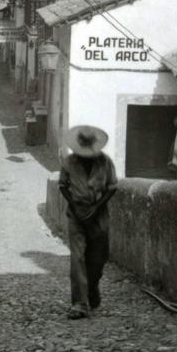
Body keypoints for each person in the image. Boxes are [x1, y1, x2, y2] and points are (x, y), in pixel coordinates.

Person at [59, 125, 118, 319]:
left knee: (98, 259)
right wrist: (75, 206)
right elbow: (63, 185)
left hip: (99, 215)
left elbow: (112, 187)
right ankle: (80, 303)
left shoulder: (105, 162)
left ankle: (92, 288)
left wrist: (97, 207)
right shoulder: (69, 162)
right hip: (76, 215)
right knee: (77, 258)